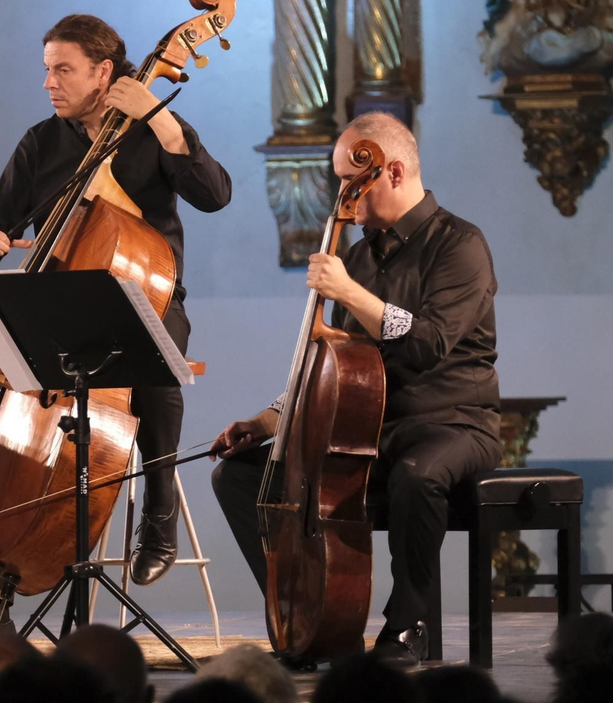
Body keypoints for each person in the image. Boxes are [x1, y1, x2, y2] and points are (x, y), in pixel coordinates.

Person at [0, 14, 232, 651]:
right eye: (46, 68)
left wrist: (161, 116)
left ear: (104, 73)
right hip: (56, 301)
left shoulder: (153, 131)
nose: (48, 82)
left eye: (62, 69)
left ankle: (160, 507)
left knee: (155, 354)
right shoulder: (43, 142)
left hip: (143, 293)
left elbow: (215, 194)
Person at [210, 112, 502, 667]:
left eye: (352, 179)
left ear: (391, 171)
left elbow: (430, 344)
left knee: (419, 475)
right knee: (240, 475)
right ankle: (303, 616)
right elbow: (334, 362)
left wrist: (352, 293)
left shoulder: (460, 244)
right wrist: (267, 420)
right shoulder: (361, 255)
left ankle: (408, 624)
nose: (342, 194)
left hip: (452, 422)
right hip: (370, 428)